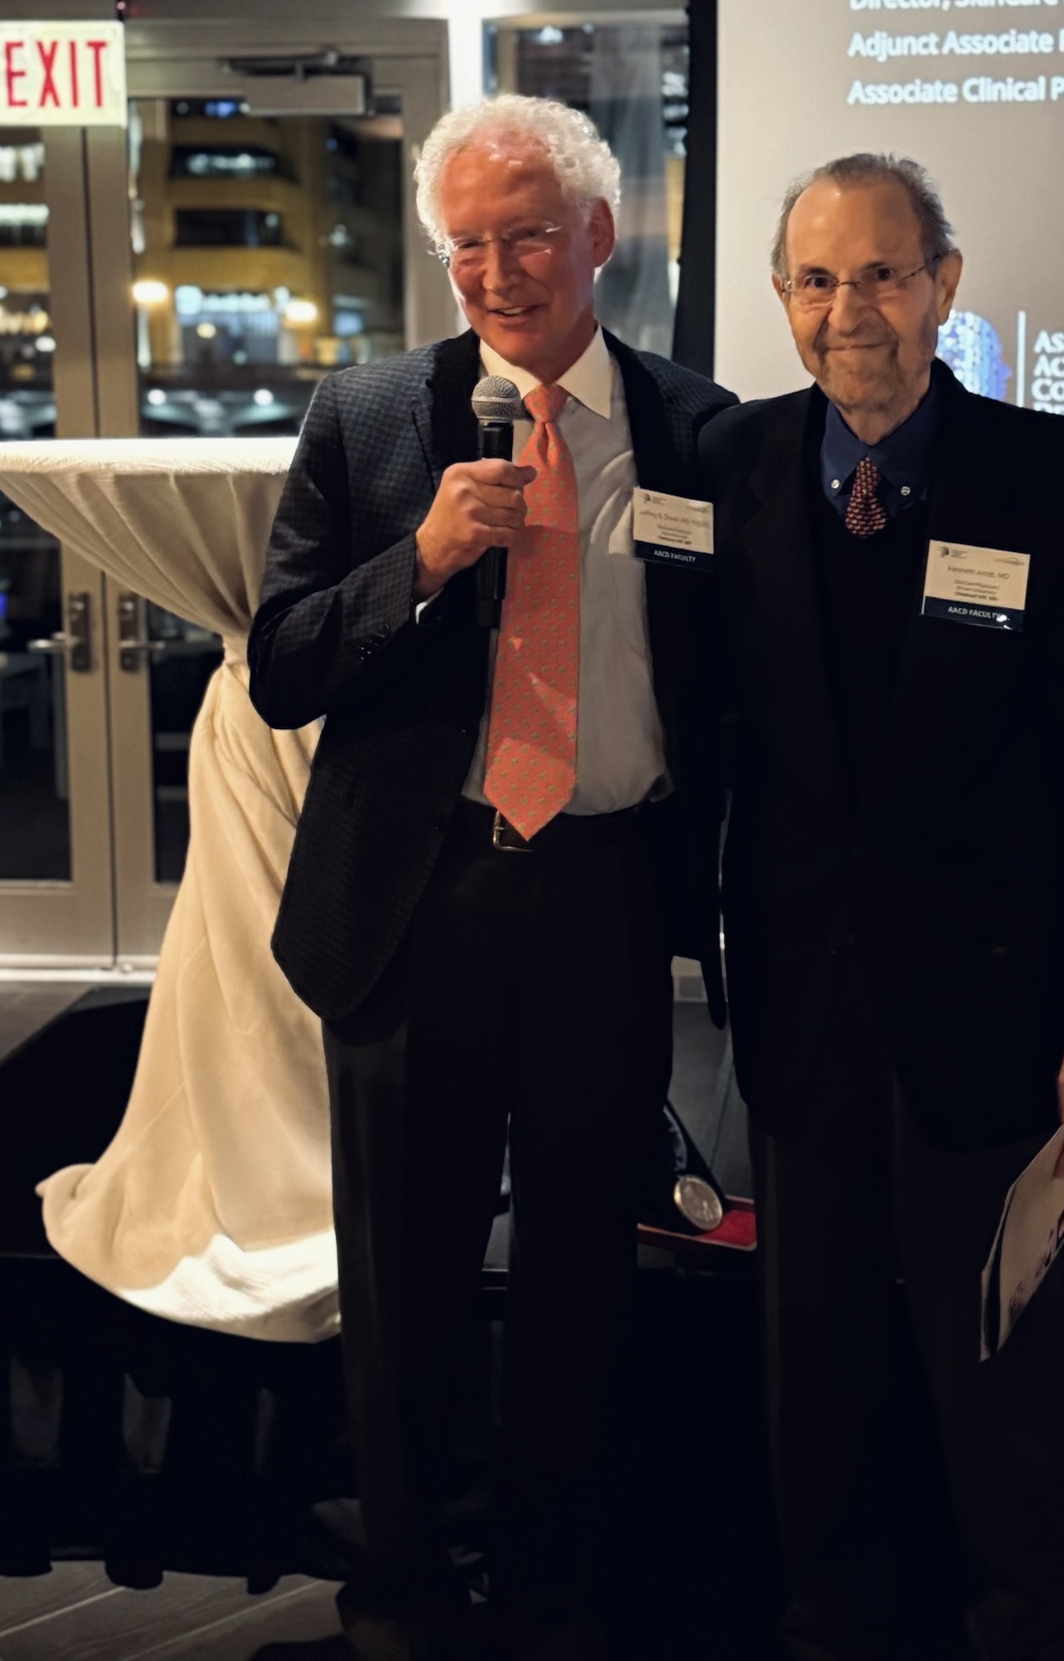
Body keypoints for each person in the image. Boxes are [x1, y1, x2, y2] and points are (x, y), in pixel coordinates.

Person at [247, 95, 735, 1661]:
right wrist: (425, 561)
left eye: (527, 236)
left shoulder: (701, 429)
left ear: (600, 234)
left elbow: (732, 679)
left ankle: (546, 1585)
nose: (498, 273)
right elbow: (280, 668)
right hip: (420, 899)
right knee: (404, 1275)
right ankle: (401, 1589)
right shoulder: (370, 417)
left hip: (603, 895)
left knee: (585, 1267)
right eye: (466, 245)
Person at [699, 154, 1064, 1661]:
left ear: (944, 284)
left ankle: (1030, 1634)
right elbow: (709, 735)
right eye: (817, 280)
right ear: (782, 298)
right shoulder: (731, 468)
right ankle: (830, 1628)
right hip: (800, 1009)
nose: (851, 311)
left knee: (1002, 1381)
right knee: (811, 1379)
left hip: (997, 1015)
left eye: (883, 275)